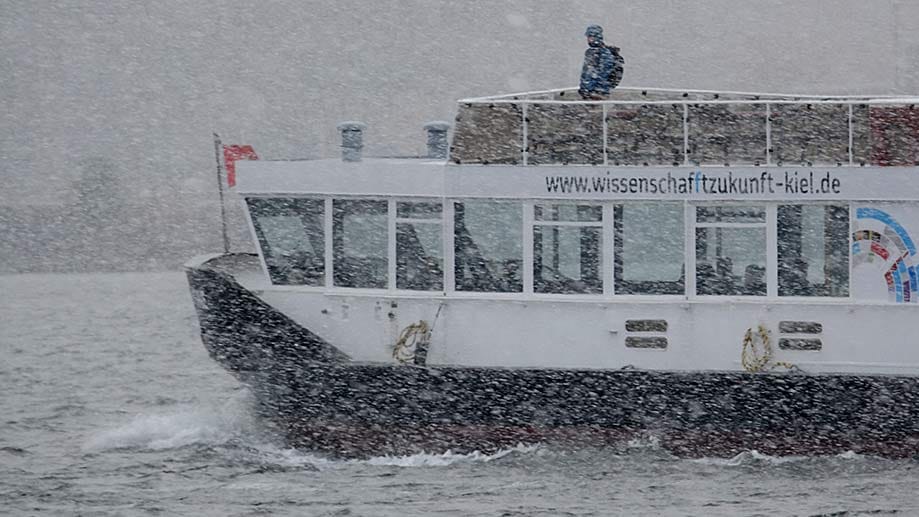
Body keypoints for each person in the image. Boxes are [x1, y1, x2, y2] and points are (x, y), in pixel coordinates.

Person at [579, 25, 615, 100]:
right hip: (589, 93)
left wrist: (594, 89)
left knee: (597, 110)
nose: (588, 39)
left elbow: (603, 73)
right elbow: (586, 73)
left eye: (590, 37)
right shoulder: (590, 52)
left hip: (597, 93)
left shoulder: (604, 53)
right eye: (588, 37)